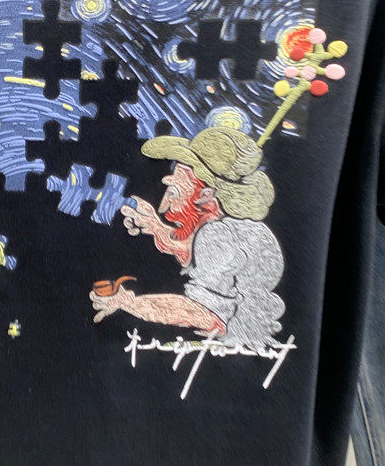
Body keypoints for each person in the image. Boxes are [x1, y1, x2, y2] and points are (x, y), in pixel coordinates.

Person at [90, 126, 286, 347]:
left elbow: (205, 315)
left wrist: (131, 304)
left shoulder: (216, 236)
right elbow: (194, 253)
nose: (164, 208)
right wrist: (156, 227)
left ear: (206, 195)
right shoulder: (223, 228)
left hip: (237, 341)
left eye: (174, 193)